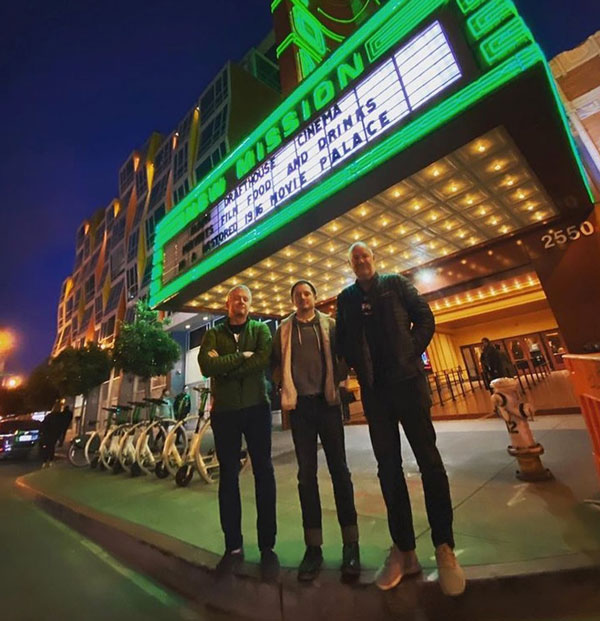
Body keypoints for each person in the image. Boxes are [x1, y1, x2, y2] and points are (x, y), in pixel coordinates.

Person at [336, 241, 465, 597]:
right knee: (388, 469)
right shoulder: (346, 299)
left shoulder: (397, 284)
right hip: (376, 394)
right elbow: (343, 340)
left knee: (430, 463)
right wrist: (356, 367)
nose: (361, 261)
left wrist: (409, 351)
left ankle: (444, 546)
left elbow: (425, 318)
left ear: (373, 260)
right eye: (355, 258)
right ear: (350, 265)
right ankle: (404, 550)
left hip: (408, 385)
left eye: (365, 256)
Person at [272, 279, 360, 582]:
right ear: (293, 300)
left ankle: (351, 545)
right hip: (301, 410)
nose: (302, 297)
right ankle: (314, 548)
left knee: (340, 471)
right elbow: (273, 362)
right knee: (305, 477)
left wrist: (338, 381)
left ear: (315, 297)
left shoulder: (330, 325)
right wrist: (282, 383)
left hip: (328, 404)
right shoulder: (283, 328)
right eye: (297, 294)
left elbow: (344, 356)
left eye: (307, 293)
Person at [198, 285, 278, 579]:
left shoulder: (260, 330)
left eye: (245, 299)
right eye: (236, 299)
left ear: (250, 304)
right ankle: (233, 547)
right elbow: (207, 365)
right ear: (227, 304)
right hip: (225, 414)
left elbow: (262, 359)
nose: (241, 303)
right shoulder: (213, 334)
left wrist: (226, 366)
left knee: (264, 473)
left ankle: (267, 546)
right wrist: (240, 357)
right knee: (228, 477)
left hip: (257, 407)